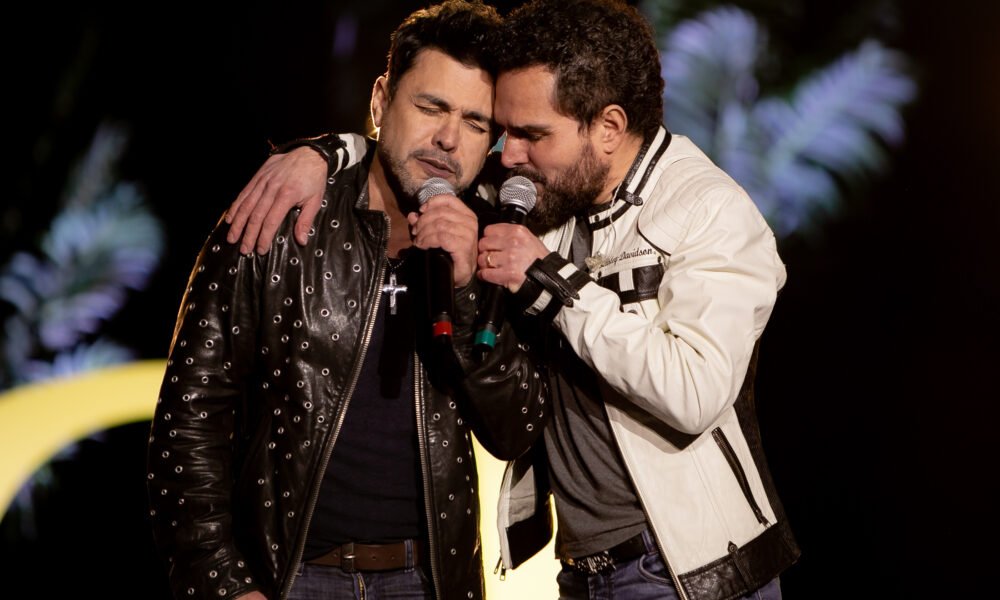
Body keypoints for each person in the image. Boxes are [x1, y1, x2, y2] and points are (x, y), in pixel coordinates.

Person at [227, 1, 801, 599]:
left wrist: (551, 283)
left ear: (608, 127)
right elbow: (414, 150)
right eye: (503, 131)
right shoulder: (552, 193)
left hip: (690, 573)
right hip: (586, 571)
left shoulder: (710, 210)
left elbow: (694, 392)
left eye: (532, 134)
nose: (509, 155)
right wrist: (325, 152)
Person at [145, 2, 549, 600]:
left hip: (428, 579)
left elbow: (517, 431)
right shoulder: (281, 211)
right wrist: (222, 582)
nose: (448, 138)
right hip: (289, 576)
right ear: (381, 101)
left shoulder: (497, 243)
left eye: (474, 122)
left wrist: (466, 291)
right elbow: (191, 417)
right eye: (431, 107)